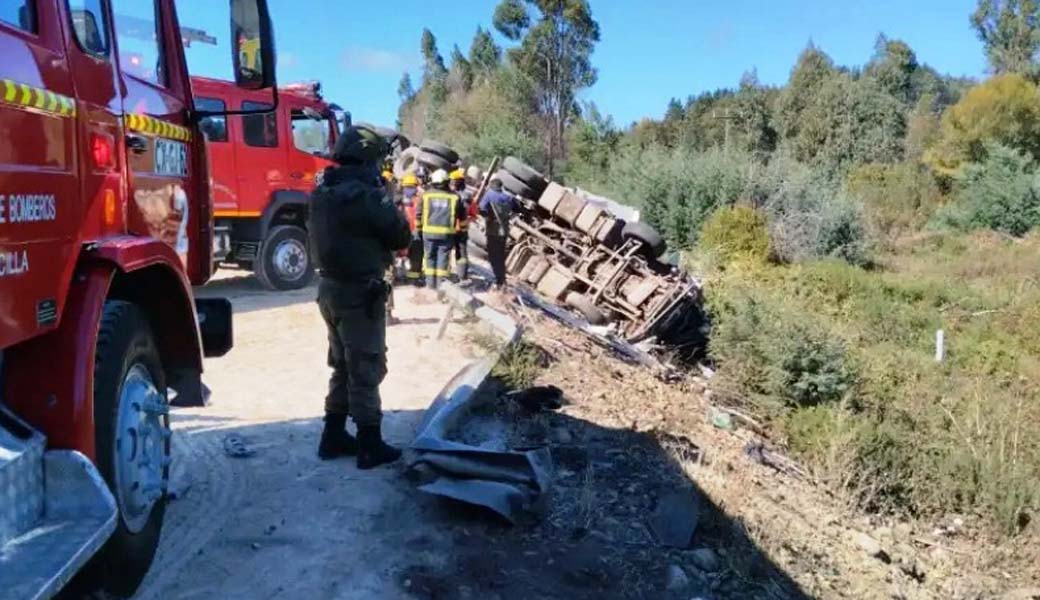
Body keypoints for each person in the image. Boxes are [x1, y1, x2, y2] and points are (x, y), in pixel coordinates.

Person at [308, 125, 411, 470]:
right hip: (358, 292)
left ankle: (333, 435)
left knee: (341, 364)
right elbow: (399, 235)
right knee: (365, 366)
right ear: (369, 158)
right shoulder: (366, 195)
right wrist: (385, 195)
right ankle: (369, 444)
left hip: (329, 290)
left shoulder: (322, 190)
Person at [416, 169, 465, 290]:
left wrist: (418, 230)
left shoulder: (426, 195)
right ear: (447, 181)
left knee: (429, 258)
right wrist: (462, 232)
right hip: (446, 234)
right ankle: (440, 286)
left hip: (428, 233)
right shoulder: (455, 197)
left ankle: (430, 285)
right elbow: (462, 216)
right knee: (443, 259)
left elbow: (418, 214)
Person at [479, 177, 520, 289]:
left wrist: (488, 217)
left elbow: (482, 209)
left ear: (492, 185)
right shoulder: (508, 197)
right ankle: (502, 279)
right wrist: (509, 216)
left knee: (493, 256)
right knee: (501, 255)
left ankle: (499, 281)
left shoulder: (489, 195)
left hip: (493, 230)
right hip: (505, 231)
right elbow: (518, 208)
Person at [398, 172, 425, 285]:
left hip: (404, 231)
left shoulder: (398, 200)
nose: (409, 189)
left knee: (404, 255)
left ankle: (405, 276)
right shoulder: (420, 199)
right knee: (415, 255)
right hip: (414, 231)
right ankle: (413, 278)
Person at [449, 169, 473, 282]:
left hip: (449, 228)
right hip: (462, 230)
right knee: (462, 253)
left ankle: (445, 275)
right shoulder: (468, 196)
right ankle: (462, 276)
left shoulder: (449, 195)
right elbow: (474, 214)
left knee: (445, 251)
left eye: (453, 181)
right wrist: (466, 221)